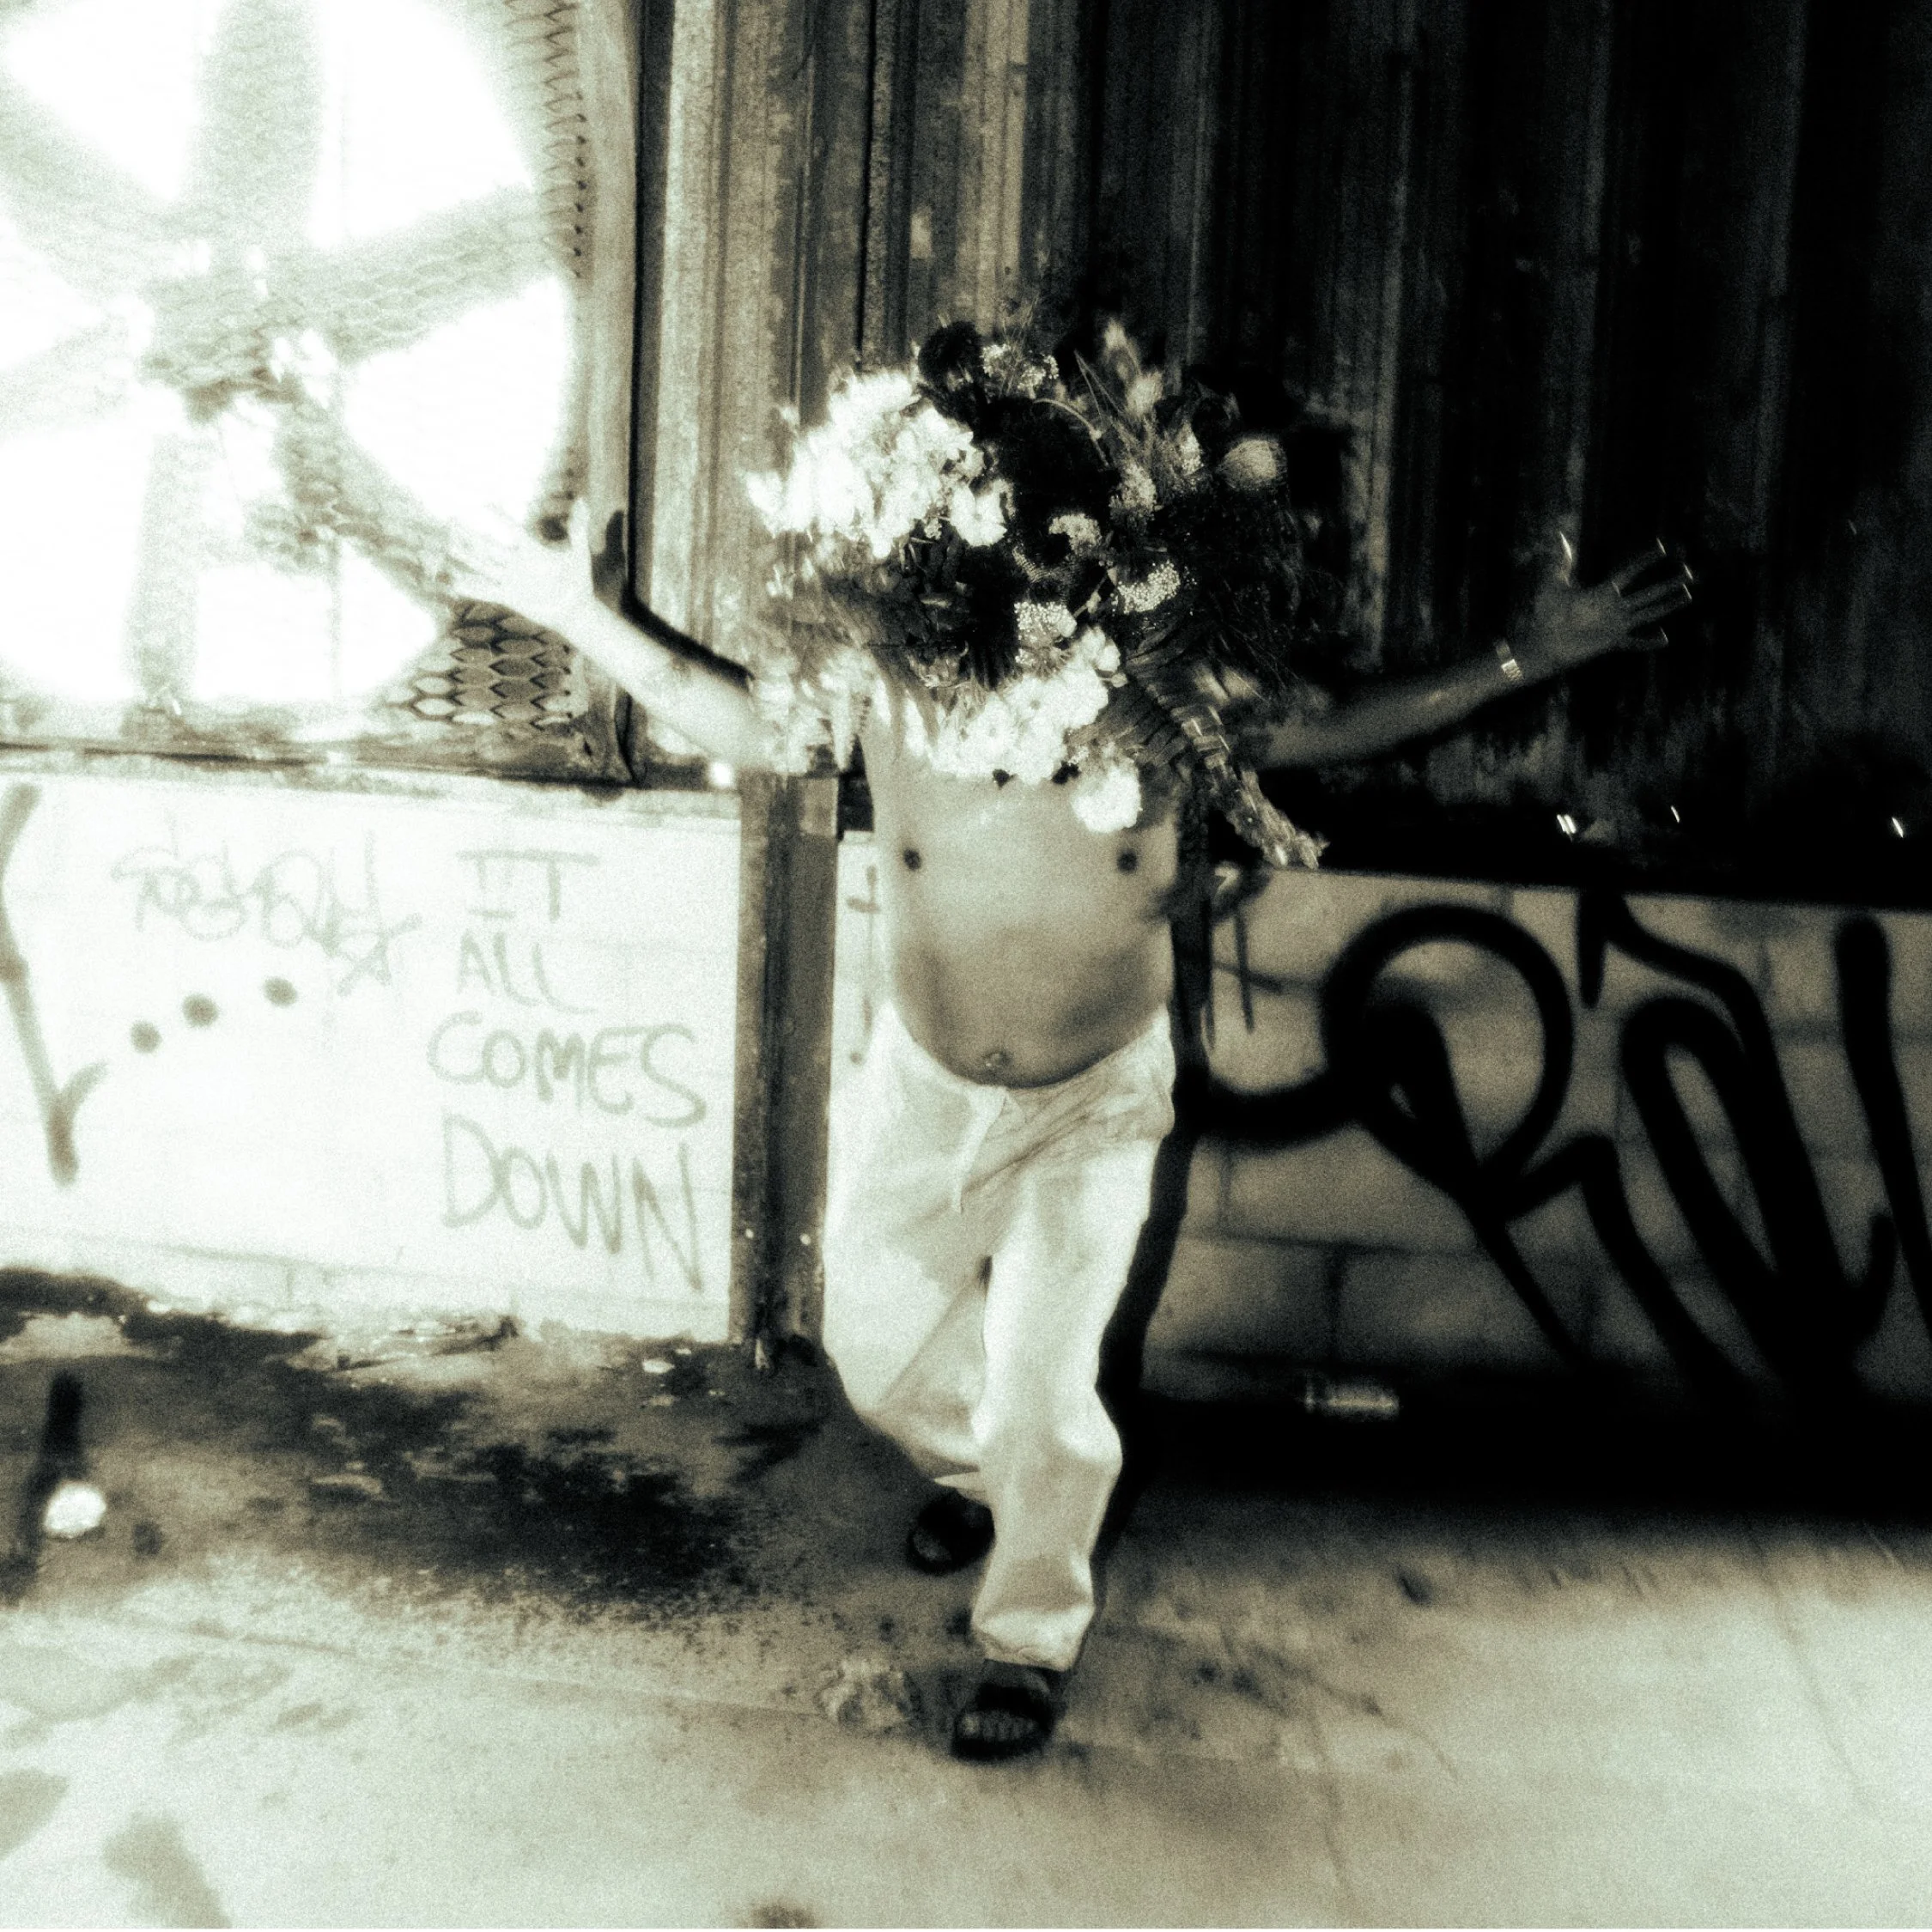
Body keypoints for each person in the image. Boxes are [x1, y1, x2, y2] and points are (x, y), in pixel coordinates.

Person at [453, 320, 1691, 1761]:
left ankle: (1027, 1632)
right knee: (872, 1350)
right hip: (921, 1085)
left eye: (1053, 543)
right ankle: (990, 1478)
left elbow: (1345, 721)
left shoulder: (1164, 693)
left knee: (1046, 1384)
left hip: (1093, 1100)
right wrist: (580, 615)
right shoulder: (887, 678)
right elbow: (724, 708)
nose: (1022, 568)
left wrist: (1523, 653)